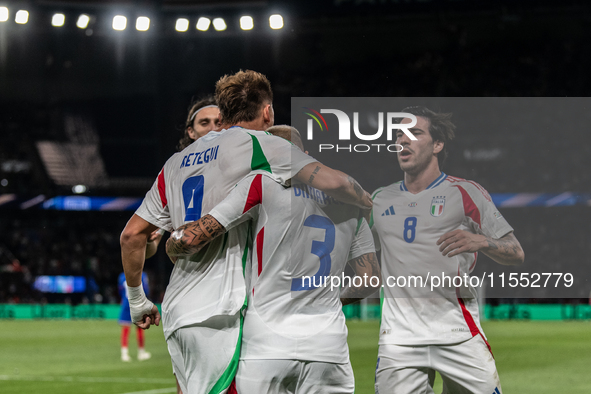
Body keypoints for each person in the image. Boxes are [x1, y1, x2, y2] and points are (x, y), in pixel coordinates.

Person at [120, 70, 372, 394]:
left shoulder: (173, 163)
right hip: (220, 309)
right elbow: (337, 183)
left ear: (223, 116)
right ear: (267, 112)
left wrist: (138, 300)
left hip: (178, 307)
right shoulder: (260, 145)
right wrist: (365, 201)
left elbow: (133, 236)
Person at [165, 125, 380, 393]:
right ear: (306, 155)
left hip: (266, 345)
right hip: (328, 346)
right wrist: (328, 300)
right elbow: (370, 279)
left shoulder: (260, 183)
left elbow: (191, 239)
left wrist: (171, 243)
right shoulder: (350, 200)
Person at [370, 106, 524, 394]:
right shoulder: (379, 199)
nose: (402, 141)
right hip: (399, 339)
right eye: (398, 135)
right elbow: (358, 252)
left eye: (414, 133)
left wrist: (483, 241)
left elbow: (516, 252)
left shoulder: (466, 192)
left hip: (458, 334)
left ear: (437, 144)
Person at [146, 98, 222, 256]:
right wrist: (147, 240)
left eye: (219, 122)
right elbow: (151, 248)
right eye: (204, 123)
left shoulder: (238, 166)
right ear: (191, 132)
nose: (213, 128)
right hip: (188, 273)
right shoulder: (174, 176)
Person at [118, 271, 151, 362]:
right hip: (137, 304)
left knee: (125, 329)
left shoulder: (122, 276)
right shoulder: (142, 275)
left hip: (126, 303)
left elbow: (120, 290)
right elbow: (145, 289)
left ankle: (124, 353)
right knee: (140, 328)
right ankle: (141, 352)